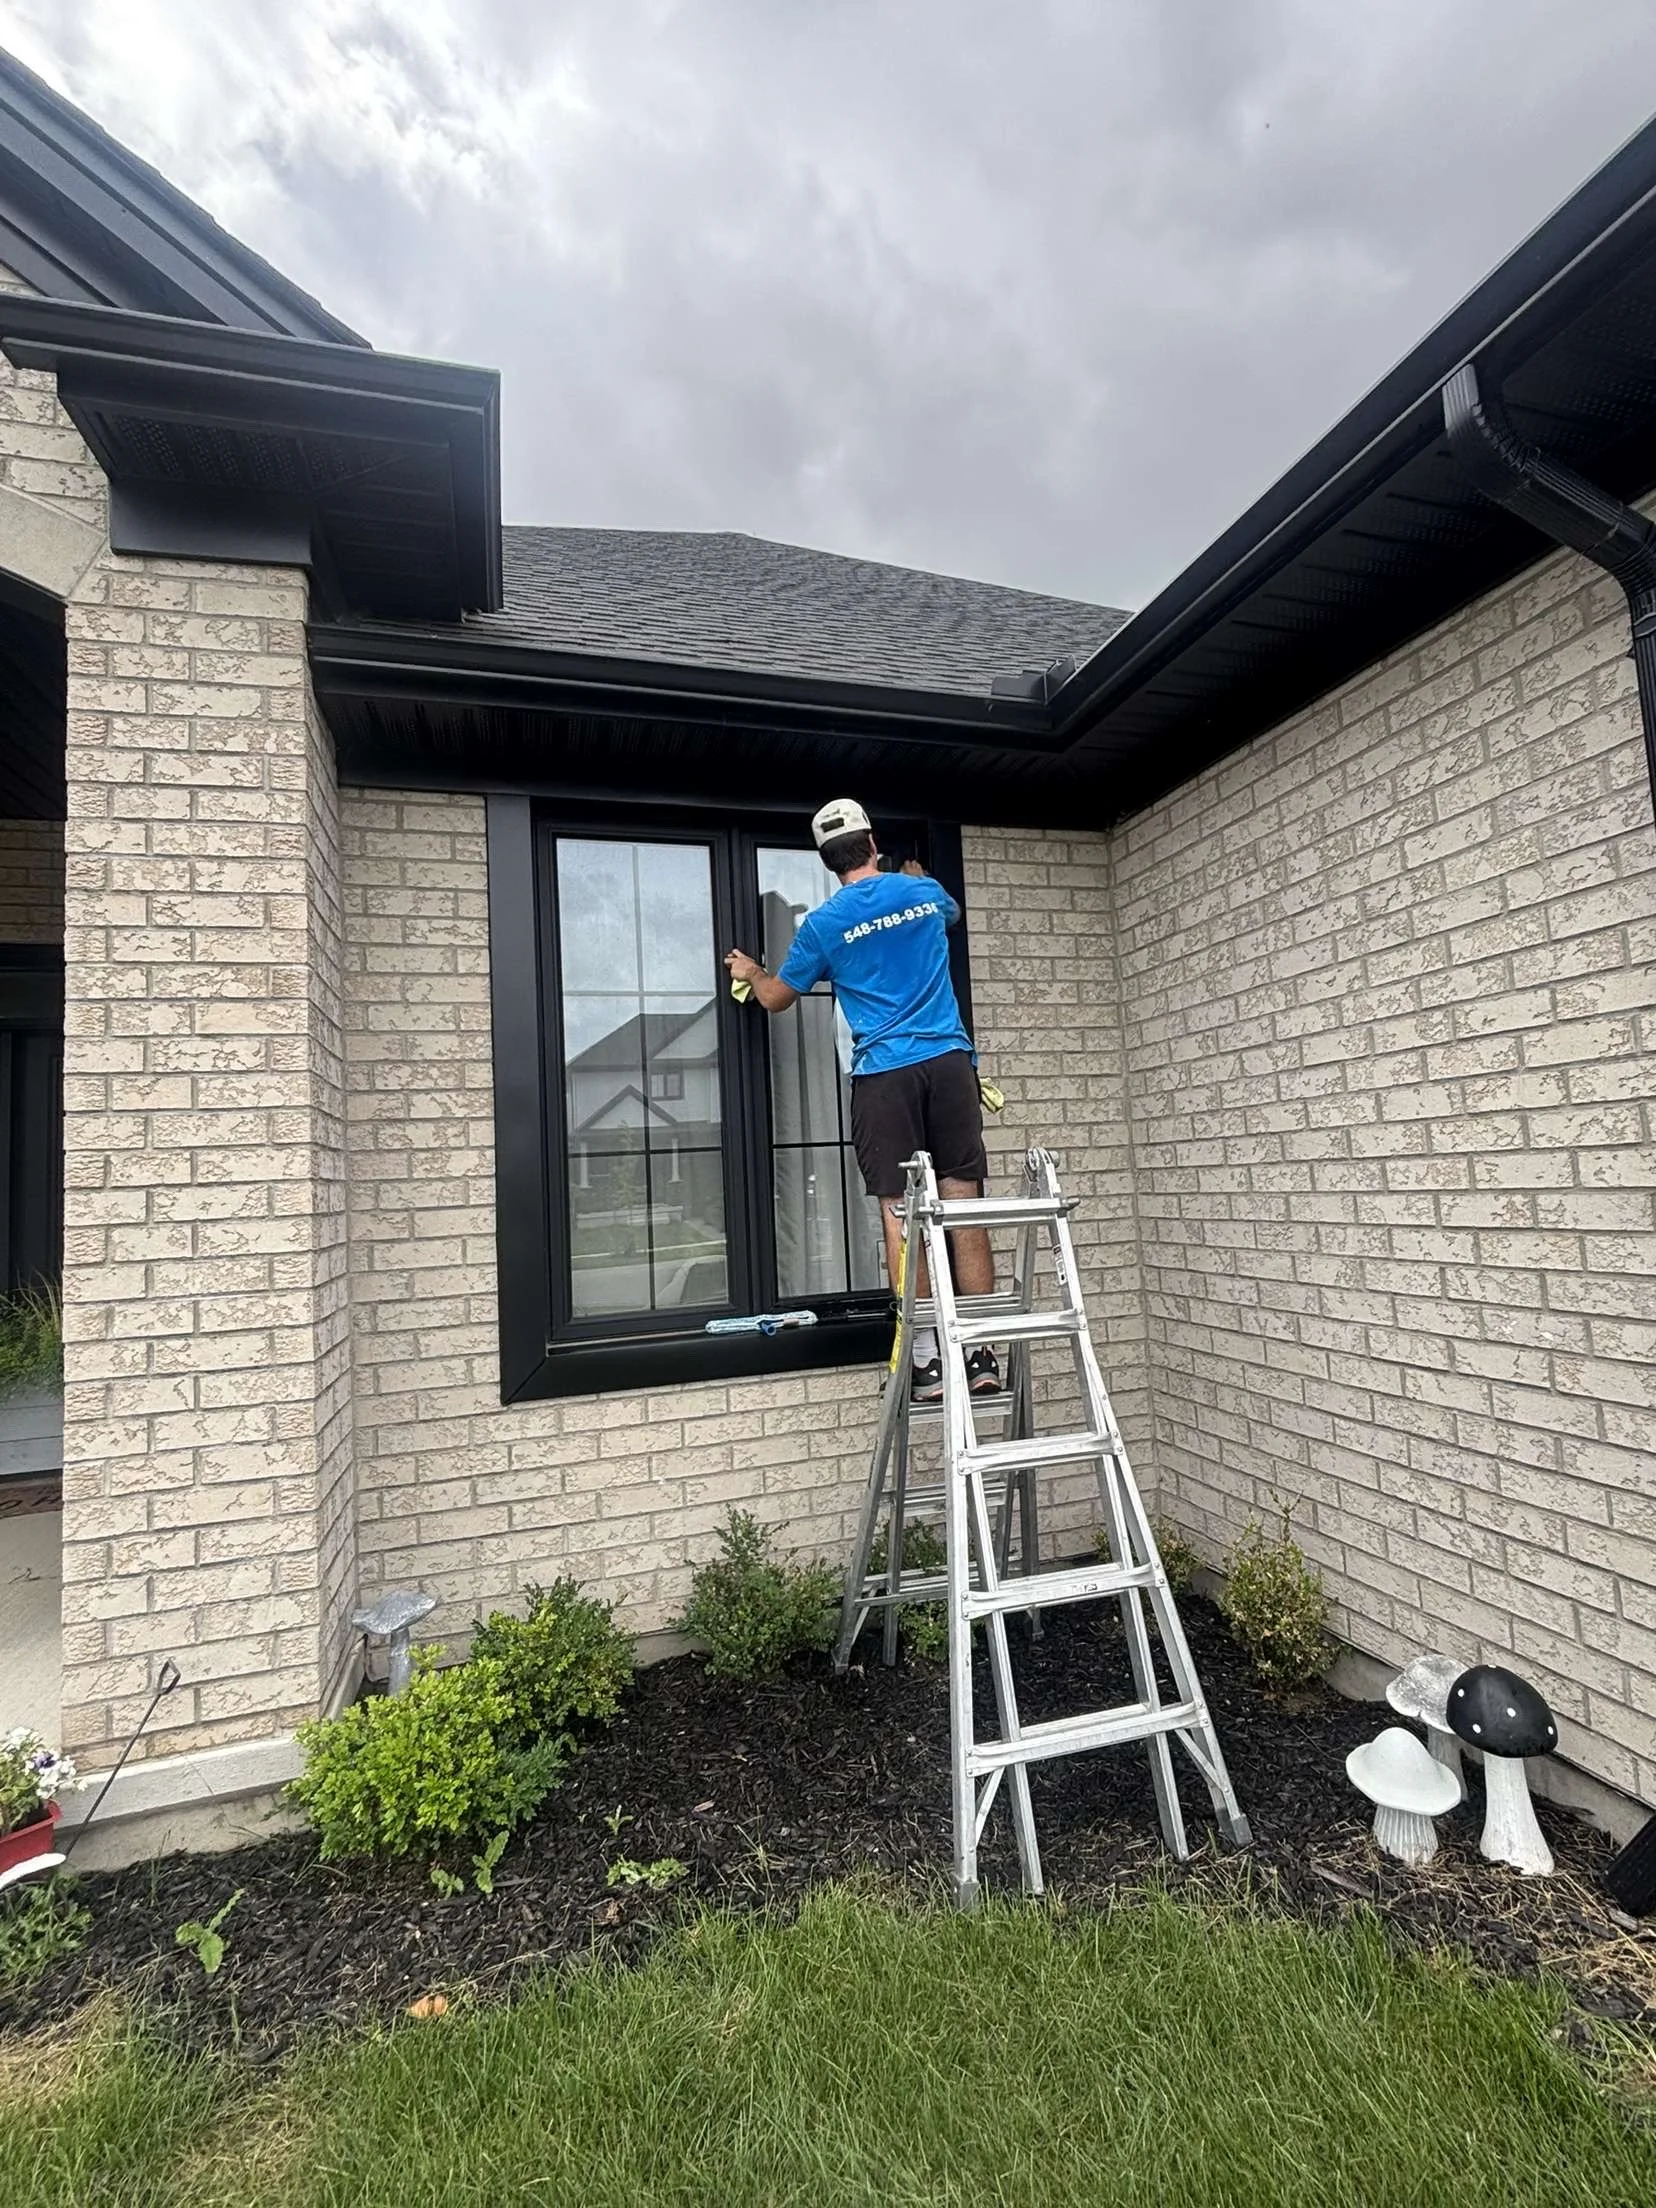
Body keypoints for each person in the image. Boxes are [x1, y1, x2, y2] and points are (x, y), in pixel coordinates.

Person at [724, 797, 998, 1403]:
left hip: (885, 1076)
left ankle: (925, 1363)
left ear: (828, 863)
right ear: (872, 843)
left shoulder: (823, 925)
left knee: (901, 1215)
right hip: (950, 1065)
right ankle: (982, 1356)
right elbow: (947, 910)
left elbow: (775, 998)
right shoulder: (923, 895)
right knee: (964, 1205)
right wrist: (918, 879)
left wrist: (750, 969)